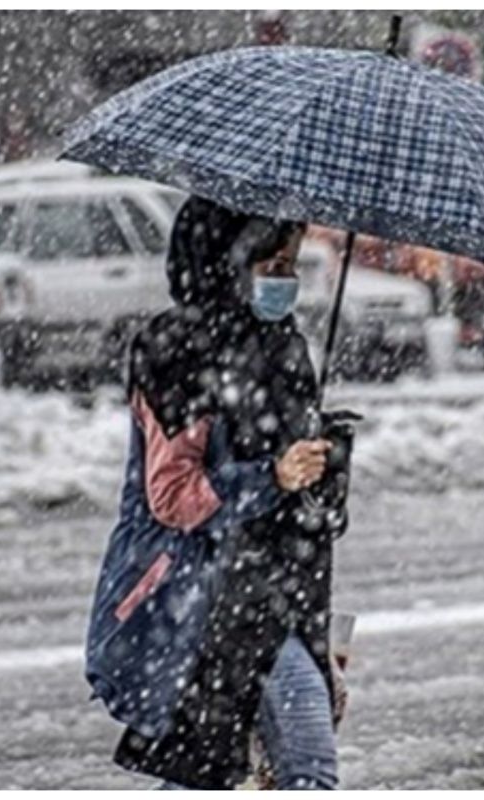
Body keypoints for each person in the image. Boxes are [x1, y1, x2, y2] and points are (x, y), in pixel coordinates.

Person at [84, 195, 350, 790]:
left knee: (296, 766)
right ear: (225, 261)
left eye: (292, 265)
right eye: (272, 264)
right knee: (243, 768)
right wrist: (270, 477)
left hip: (278, 588)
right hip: (198, 598)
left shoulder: (283, 346)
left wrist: (324, 465)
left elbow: (302, 500)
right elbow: (173, 497)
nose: (285, 281)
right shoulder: (174, 351)